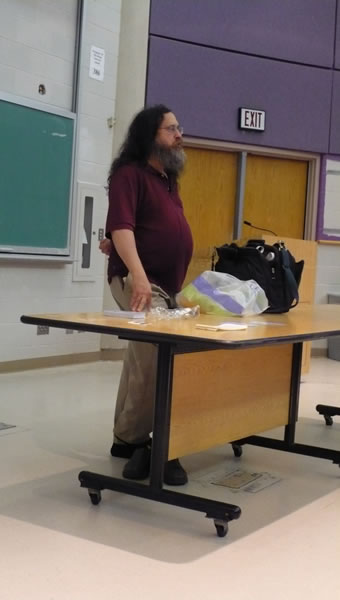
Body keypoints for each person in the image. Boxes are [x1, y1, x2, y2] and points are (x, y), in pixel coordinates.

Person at [100, 104, 193, 485]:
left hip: (166, 284)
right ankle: (159, 445)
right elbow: (122, 228)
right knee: (158, 354)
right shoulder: (129, 174)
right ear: (149, 135)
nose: (179, 134)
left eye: (178, 127)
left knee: (143, 355)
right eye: (171, 128)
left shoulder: (168, 178)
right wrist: (138, 276)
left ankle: (127, 437)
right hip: (139, 281)